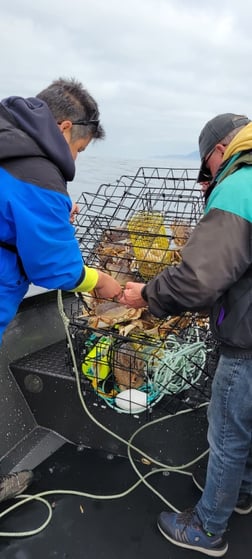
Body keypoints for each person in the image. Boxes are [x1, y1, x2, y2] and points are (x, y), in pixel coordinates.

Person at [119, 113, 252, 557]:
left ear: (219, 152)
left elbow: (197, 280)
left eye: (206, 171)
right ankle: (242, 490)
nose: (207, 180)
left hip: (249, 342)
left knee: (228, 434)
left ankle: (207, 527)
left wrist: (148, 295)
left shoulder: (238, 185)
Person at [0, 78, 122, 502]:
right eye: (79, 150)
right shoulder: (37, 174)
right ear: (65, 128)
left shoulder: (8, 146)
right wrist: (102, 282)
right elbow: (56, 269)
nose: (74, 160)